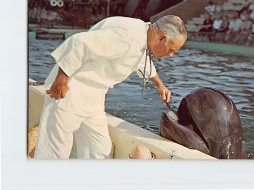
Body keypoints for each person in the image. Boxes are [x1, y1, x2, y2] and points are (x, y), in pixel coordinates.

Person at [34, 15, 187, 159]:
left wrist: (160, 85)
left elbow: (140, 61)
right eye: (172, 50)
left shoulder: (144, 36)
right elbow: (79, 43)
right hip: (70, 91)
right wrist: (61, 78)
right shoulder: (127, 37)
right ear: (162, 38)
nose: (171, 55)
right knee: (54, 152)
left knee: (99, 149)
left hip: (94, 97)